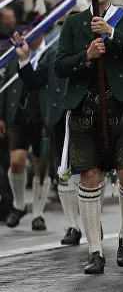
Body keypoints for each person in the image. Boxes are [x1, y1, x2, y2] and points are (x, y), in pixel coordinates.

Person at [54, 0, 123, 274]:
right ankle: (95, 250)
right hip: (84, 108)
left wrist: (111, 32)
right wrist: (87, 56)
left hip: (119, 106)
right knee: (89, 176)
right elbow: (60, 65)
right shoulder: (74, 22)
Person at [14, 22, 74, 243]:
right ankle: (72, 226)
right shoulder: (51, 54)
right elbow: (34, 82)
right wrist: (23, 58)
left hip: (87, 117)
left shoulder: (90, 46)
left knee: (88, 174)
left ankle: (91, 222)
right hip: (60, 121)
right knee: (64, 174)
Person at [3, 11, 50, 231]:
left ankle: (38, 214)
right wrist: (1, 116)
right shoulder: (16, 55)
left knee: (42, 166)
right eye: (24, 29)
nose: (27, 33)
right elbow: (4, 88)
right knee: (16, 162)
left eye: (30, 29)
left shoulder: (50, 52)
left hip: (42, 117)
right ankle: (19, 204)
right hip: (18, 116)